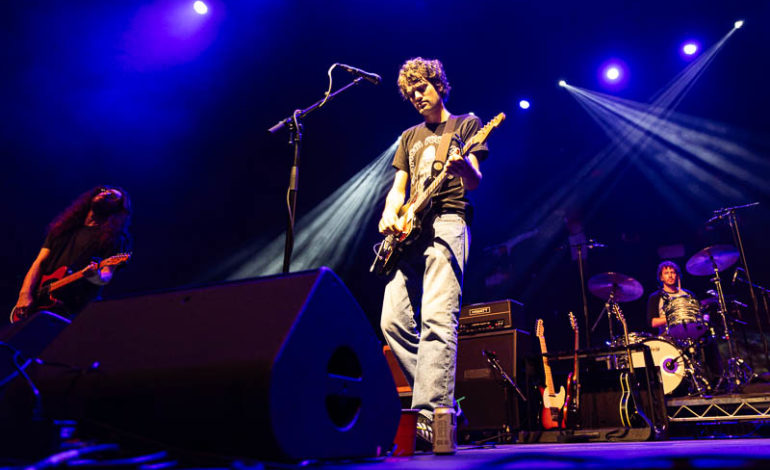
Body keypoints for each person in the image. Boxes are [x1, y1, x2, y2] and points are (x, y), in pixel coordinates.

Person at [379, 57, 488, 449]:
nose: (416, 97)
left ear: (439, 85)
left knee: (438, 318)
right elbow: (399, 188)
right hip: (410, 232)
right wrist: (390, 212)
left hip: (447, 221)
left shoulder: (466, 125)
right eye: (410, 94)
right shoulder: (409, 136)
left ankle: (428, 415)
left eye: (422, 88)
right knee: (392, 321)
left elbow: (475, 179)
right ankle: (444, 401)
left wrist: (462, 170)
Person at [11, 185, 132, 323]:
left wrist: (95, 276)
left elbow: (106, 276)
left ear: (118, 209)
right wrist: (24, 294)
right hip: (38, 302)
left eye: (113, 196)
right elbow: (39, 262)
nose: (105, 194)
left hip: (73, 312)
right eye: (103, 191)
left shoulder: (115, 238)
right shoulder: (63, 229)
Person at [646, 260, 721, 391]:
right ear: (661, 277)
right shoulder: (655, 297)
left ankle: (717, 380)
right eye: (666, 273)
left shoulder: (688, 294)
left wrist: (704, 318)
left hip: (691, 332)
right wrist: (675, 316)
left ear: (677, 275)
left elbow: (697, 314)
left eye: (673, 272)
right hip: (668, 336)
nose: (670, 275)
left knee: (709, 339)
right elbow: (653, 322)